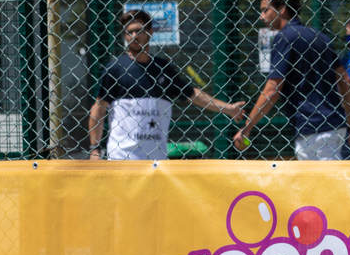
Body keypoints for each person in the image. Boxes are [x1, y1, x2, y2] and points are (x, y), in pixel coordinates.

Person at [87, 10, 244, 160]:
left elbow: (193, 94)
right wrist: (95, 149)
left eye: (139, 30)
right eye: (129, 32)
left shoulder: (164, 69)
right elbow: (99, 108)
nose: (134, 36)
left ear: (150, 32)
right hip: (121, 159)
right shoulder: (114, 69)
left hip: (156, 162)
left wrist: (228, 108)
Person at [232, 0, 350, 160]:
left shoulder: (284, 38)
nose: (261, 16)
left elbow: (272, 89)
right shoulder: (320, 37)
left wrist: (247, 128)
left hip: (311, 131)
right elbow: (344, 81)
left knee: (320, 185)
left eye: (265, 10)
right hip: (335, 127)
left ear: (282, 9)